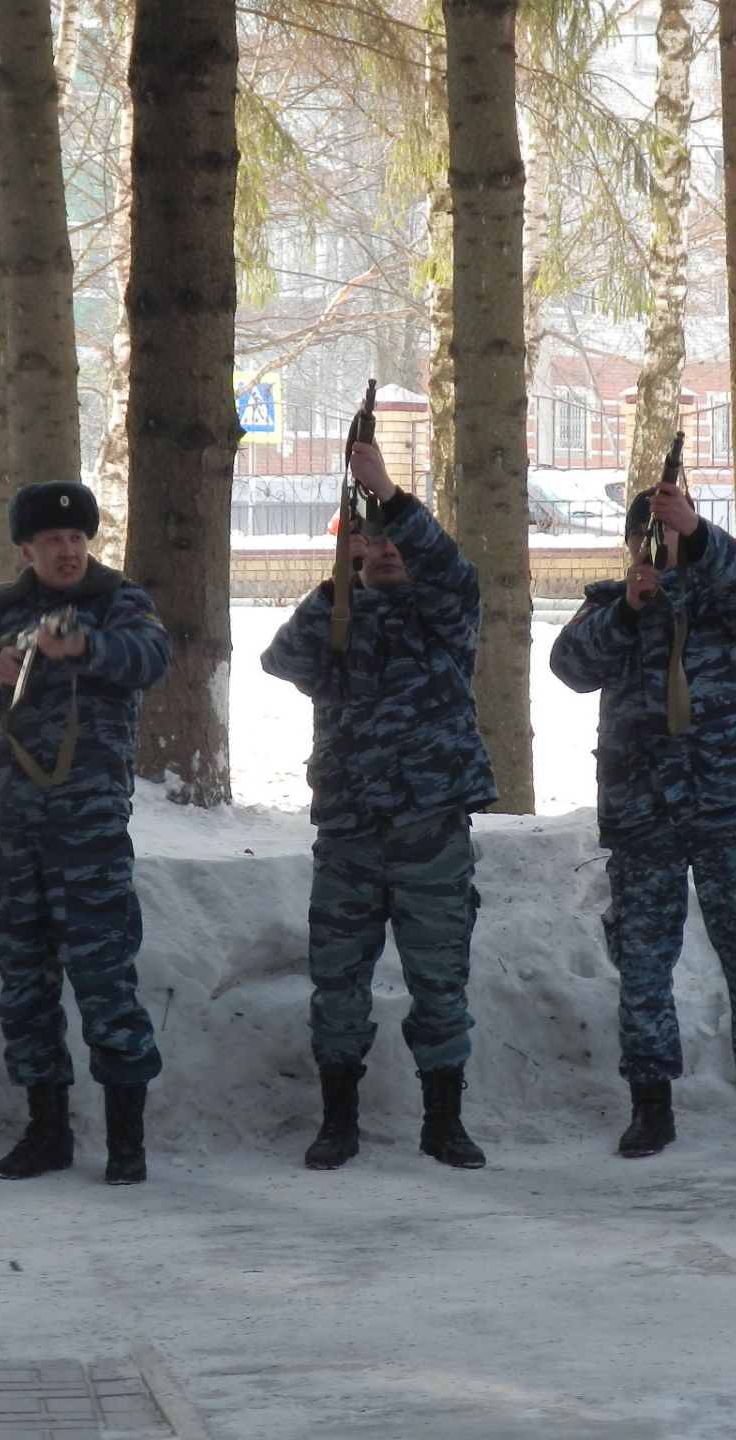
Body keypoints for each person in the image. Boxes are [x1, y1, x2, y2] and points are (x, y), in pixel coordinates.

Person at [0, 480, 170, 1185]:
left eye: (77, 540)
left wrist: (83, 648)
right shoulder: (0, 608)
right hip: (14, 829)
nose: (68, 551)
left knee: (103, 978)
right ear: (25, 549)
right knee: (24, 980)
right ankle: (47, 1130)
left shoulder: (118, 599)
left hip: (88, 829)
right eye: (53, 542)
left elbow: (153, 659)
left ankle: (127, 1140)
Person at [261, 441, 498, 1171]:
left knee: (440, 984)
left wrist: (389, 496)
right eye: (376, 543)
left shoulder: (444, 616)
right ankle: (338, 1122)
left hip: (430, 831)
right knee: (338, 985)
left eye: (399, 543)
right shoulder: (335, 621)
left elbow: (452, 572)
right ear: (355, 549)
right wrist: (338, 584)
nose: (390, 552)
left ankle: (444, 1122)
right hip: (351, 835)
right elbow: (281, 659)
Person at [548, 481, 736, 1157]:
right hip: (643, 815)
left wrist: (702, 537)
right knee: (645, 965)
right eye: (648, 538)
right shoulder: (609, 609)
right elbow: (570, 666)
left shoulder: (725, 603)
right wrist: (628, 608)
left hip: (727, 808)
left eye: (669, 539)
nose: (657, 550)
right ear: (630, 546)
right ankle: (650, 1103)